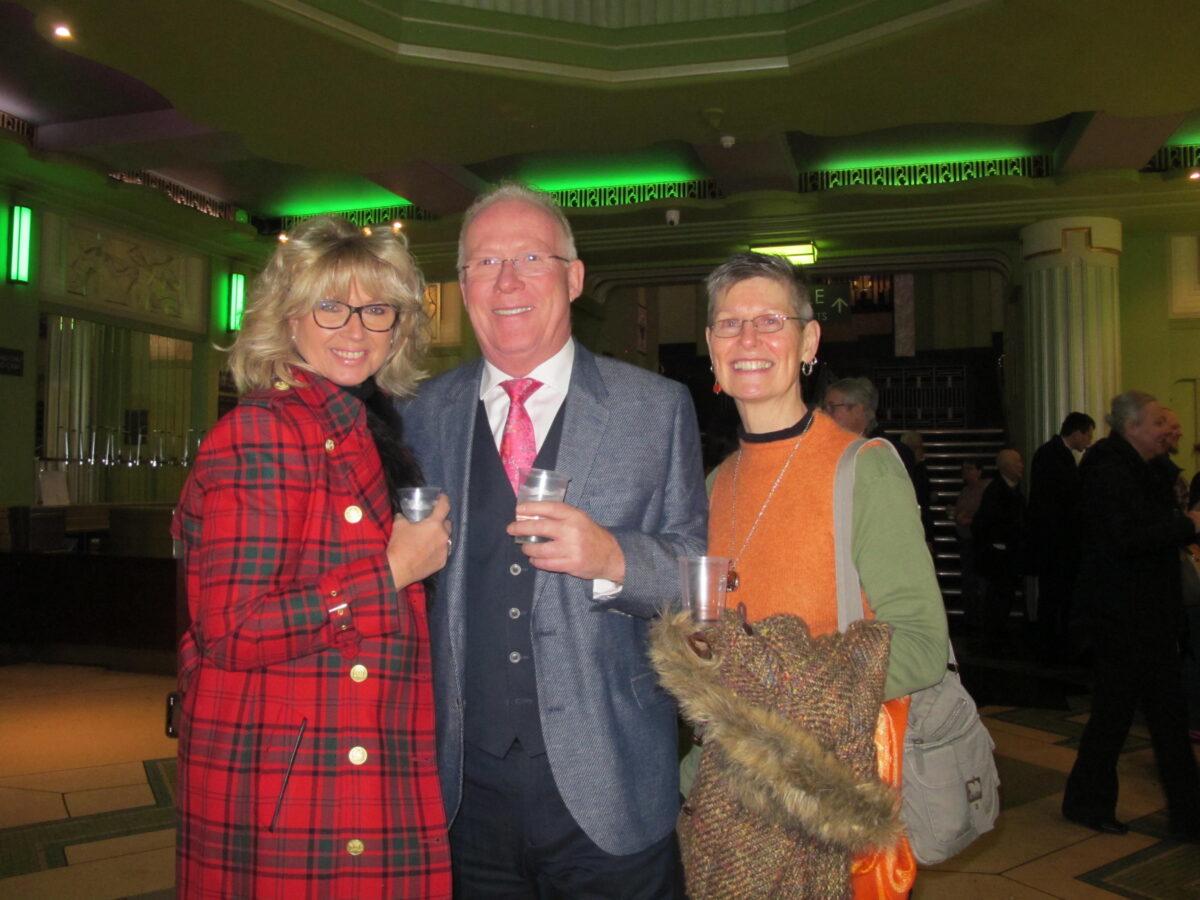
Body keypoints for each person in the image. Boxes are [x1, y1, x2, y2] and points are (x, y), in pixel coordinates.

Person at [402, 184, 707, 897]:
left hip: (611, 784)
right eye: (484, 263)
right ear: (463, 285)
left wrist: (613, 559)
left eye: (530, 257)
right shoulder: (420, 415)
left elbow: (699, 578)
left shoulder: (654, 408)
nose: (506, 281)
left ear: (572, 277)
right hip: (461, 795)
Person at [173, 217, 453, 897]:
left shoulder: (358, 425)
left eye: (376, 309)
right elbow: (232, 627)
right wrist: (388, 572)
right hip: (294, 779)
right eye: (331, 306)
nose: (355, 330)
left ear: (399, 327)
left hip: (349, 754)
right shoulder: (265, 432)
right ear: (289, 319)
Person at [704, 252, 948, 897]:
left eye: (770, 321)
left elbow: (922, 647)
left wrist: (778, 697)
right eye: (729, 324)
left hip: (830, 797)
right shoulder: (711, 485)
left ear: (808, 340)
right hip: (731, 799)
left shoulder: (861, 468)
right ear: (710, 348)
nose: (749, 340)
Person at [1062, 391, 1200, 839]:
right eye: (1159, 422)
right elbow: (1124, 538)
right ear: (1132, 427)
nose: (1169, 430)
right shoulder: (1107, 470)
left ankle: (1187, 814)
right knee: (1115, 714)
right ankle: (1088, 802)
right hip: (1119, 617)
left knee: (1165, 718)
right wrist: (1189, 524)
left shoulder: (1148, 470)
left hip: (1151, 616)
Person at [1027, 412, 1094, 660]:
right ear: (1076, 432)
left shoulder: (1051, 453)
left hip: (1053, 543)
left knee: (1053, 595)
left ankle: (1051, 644)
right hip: (1056, 544)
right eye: (1088, 434)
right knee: (1055, 596)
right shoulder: (1055, 456)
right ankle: (1051, 646)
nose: (1089, 440)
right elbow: (1063, 500)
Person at [971, 448, 1027, 649]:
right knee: (998, 598)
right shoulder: (998, 491)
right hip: (1000, 556)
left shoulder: (1009, 489)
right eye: (1017, 462)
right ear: (1005, 467)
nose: (1021, 466)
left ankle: (995, 637)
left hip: (1006, 554)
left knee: (1002, 598)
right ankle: (993, 638)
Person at [824, 376, 918, 474]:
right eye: (825, 408)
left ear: (857, 410)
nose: (825, 414)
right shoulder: (827, 449)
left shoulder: (892, 452)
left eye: (832, 407)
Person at [953, 460, 990, 623]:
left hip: (980, 540)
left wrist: (970, 519)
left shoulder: (986, 489)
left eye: (970, 469)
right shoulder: (965, 491)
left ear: (979, 471)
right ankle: (971, 615)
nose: (966, 473)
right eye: (964, 470)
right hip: (966, 539)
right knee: (969, 579)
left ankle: (982, 615)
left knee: (980, 579)